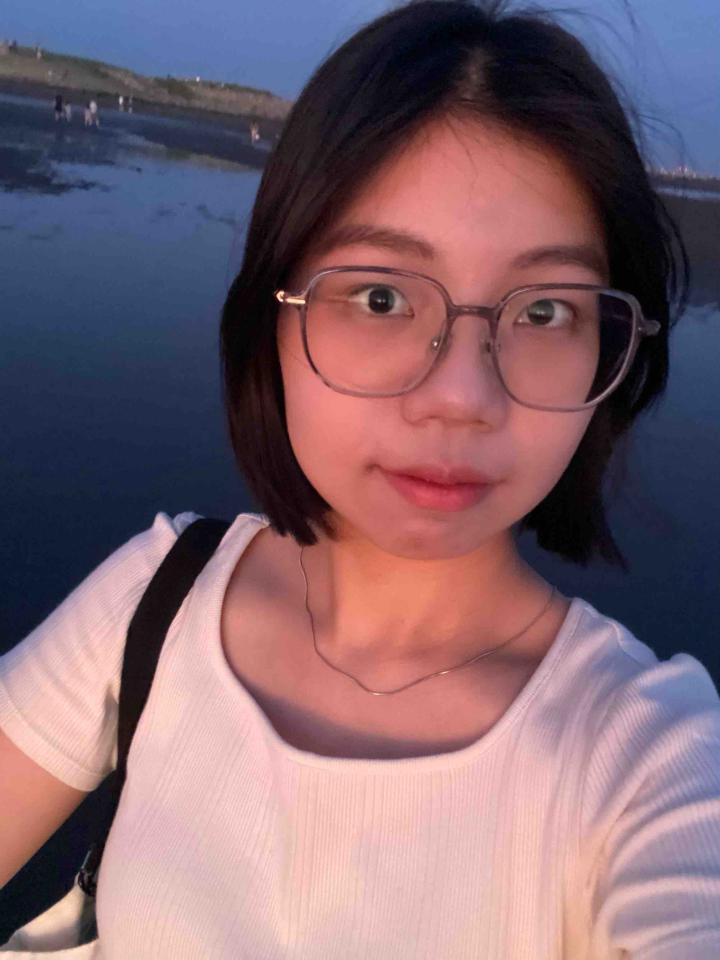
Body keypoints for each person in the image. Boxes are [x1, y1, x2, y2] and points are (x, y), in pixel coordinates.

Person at [1, 2, 719, 957]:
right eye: (381, 297)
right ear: (273, 316)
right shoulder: (156, 600)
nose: (461, 399)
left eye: (546, 311)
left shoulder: (649, 757)